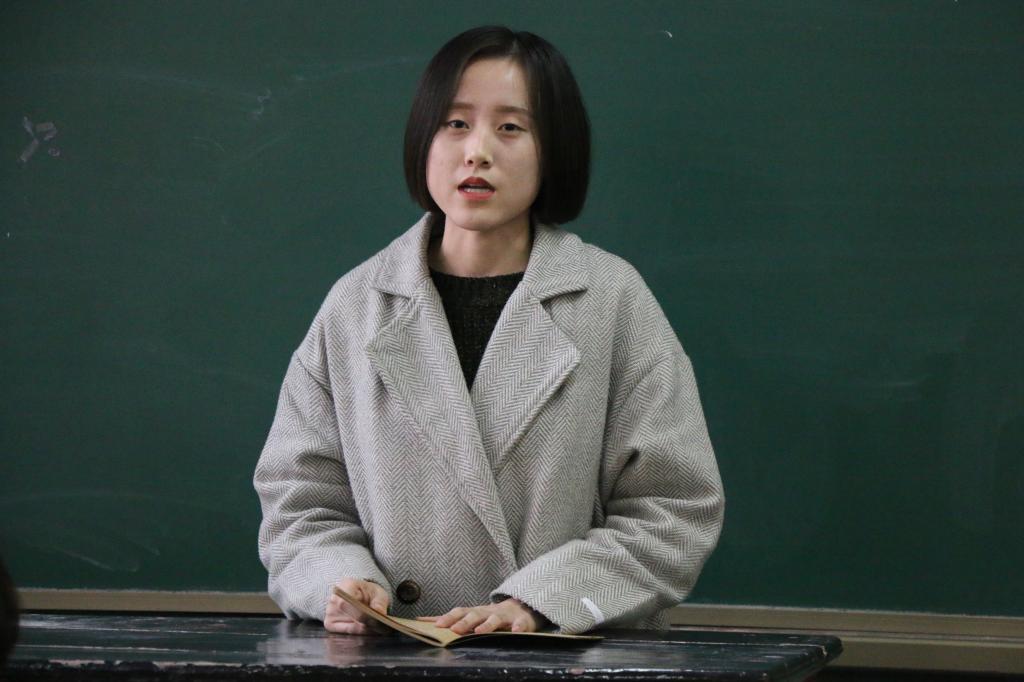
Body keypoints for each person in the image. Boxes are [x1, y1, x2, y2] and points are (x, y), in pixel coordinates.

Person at [254, 25, 724, 637]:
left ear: (554, 149)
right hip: (392, 655)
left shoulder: (611, 300)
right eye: (455, 123)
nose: (477, 151)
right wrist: (342, 582)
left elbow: (673, 509)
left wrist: (538, 603)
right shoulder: (355, 306)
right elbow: (299, 503)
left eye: (510, 127)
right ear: (423, 139)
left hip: (562, 657)